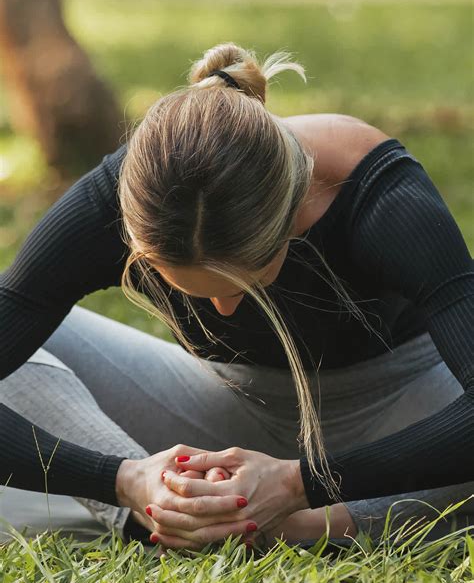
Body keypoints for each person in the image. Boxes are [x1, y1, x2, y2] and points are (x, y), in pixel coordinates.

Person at [0, 42, 472, 549]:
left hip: (404, 413)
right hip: (228, 409)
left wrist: (300, 484)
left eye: (247, 283)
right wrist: (124, 478)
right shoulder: (124, 196)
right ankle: (164, 514)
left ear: (292, 214)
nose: (223, 310)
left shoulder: (371, 190)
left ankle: (309, 526)